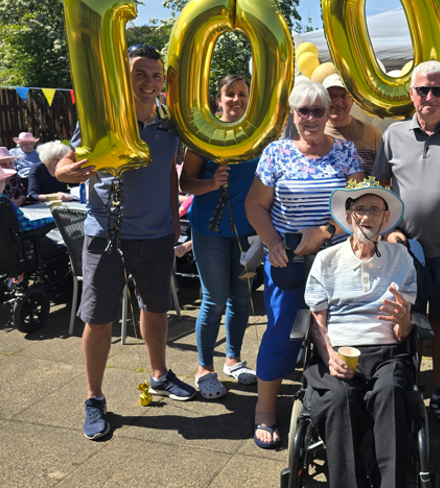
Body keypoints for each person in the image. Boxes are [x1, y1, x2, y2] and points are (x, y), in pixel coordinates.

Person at [56, 45, 195, 441]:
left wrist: (174, 225)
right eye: (140, 74)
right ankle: (95, 398)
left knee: (155, 308)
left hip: (157, 236)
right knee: (98, 319)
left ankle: (159, 376)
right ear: (124, 77)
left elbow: (170, 174)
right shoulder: (102, 121)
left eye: (156, 75)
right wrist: (79, 169)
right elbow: (63, 168)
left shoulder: (168, 126)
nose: (149, 82)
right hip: (107, 237)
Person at [245, 81, 364, 449]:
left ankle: (334, 406)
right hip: (289, 259)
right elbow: (255, 206)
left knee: (338, 332)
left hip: (337, 259)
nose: (310, 118)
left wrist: (325, 231)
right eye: (303, 111)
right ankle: (264, 411)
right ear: (292, 114)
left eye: (318, 110)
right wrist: (274, 242)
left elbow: (359, 207)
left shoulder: (346, 152)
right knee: (281, 332)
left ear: (330, 113)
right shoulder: (276, 153)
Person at [373, 60, 440, 434]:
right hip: (405, 255)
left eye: (438, 90)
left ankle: (439, 394)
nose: (430, 97)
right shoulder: (393, 134)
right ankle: (404, 393)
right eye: (423, 90)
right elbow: (380, 188)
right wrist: (388, 232)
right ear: (411, 94)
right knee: (404, 325)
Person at [304, 179, 417, 488]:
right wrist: (328, 356)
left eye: (375, 209)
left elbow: (402, 329)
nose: (367, 216)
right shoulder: (327, 260)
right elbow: (317, 322)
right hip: (340, 350)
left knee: (391, 391)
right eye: (360, 209)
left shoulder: (401, 258)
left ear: (384, 217)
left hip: (387, 353)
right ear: (350, 215)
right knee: (339, 399)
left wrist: (405, 322)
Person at [180, 75, 259, 399]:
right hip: (209, 231)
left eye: (243, 94)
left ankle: (234, 358)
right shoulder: (204, 137)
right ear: (219, 99)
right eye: (231, 94)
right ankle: (204, 368)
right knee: (213, 301)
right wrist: (212, 183)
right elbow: (185, 183)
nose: (237, 100)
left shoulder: (258, 137)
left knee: (242, 299)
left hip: (249, 233)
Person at [0, 160, 58, 257]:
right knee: (52, 245)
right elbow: (26, 226)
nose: (6, 182)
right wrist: (54, 219)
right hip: (14, 253)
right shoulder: (1, 201)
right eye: (4, 180)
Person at [323, 74, 383, 177]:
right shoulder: (314, 134)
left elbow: (384, 178)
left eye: (344, 95)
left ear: (352, 100)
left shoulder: (372, 134)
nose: (338, 101)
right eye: (331, 95)